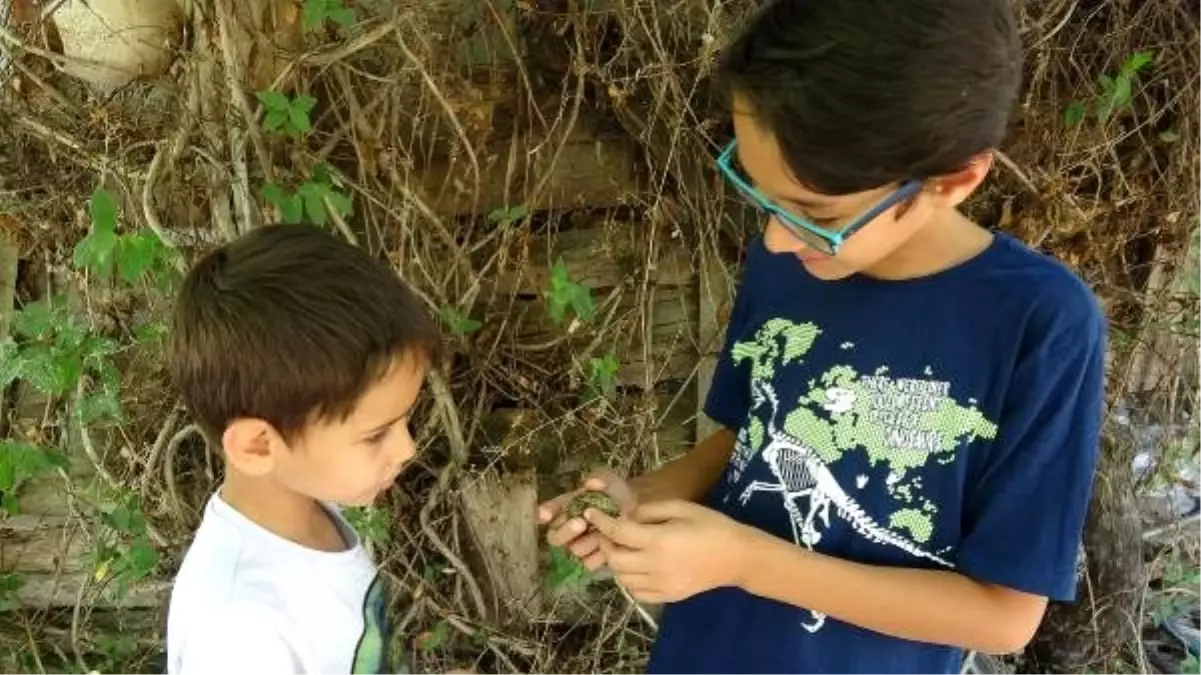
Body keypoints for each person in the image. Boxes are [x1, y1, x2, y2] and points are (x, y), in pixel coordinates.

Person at [537, 1, 1106, 673]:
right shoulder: (790, 261)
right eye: (762, 194)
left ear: (952, 181)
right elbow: (754, 435)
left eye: (814, 212)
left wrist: (745, 561)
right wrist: (644, 499)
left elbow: (1002, 615)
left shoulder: (1039, 322)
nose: (776, 237)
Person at [164, 224, 438, 675]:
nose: (408, 448)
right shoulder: (237, 635)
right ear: (257, 446)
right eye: (376, 434)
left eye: (405, 420)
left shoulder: (312, 508)